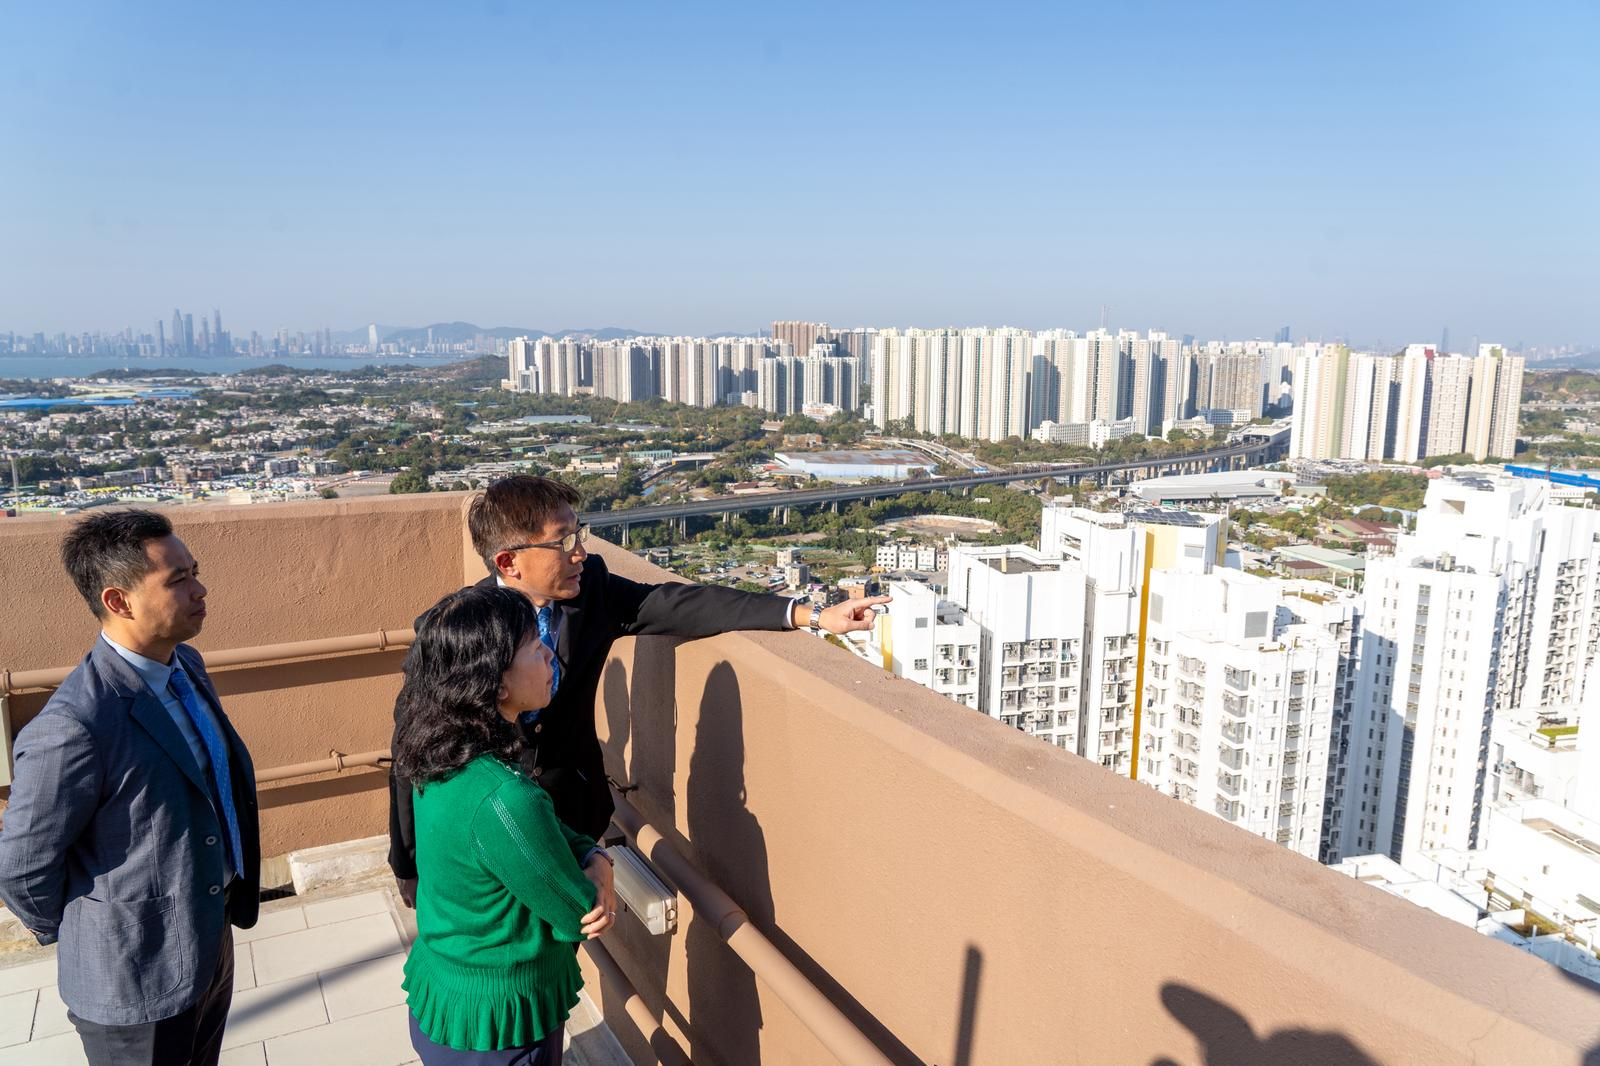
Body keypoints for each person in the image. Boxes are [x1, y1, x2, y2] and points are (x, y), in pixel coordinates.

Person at [387, 474, 888, 910]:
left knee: (568, 946)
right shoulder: (455, 634)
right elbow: (413, 745)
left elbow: (678, 605)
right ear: (508, 561)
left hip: (574, 819)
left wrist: (808, 614)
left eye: (579, 534)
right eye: (563, 542)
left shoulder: (591, 591)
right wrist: (407, 861)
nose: (581, 553)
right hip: (493, 832)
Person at [0, 509, 259, 1066]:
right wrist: (95, 929)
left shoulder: (185, 665)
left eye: (195, 572)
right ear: (118, 601)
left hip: (208, 941)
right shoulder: (75, 725)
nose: (200, 590)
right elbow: (22, 866)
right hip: (134, 980)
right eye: (178, 580)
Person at [394, 585, 610, 1064]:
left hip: (448, 996)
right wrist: (601, 867)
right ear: (497, 685)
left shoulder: (438, 751)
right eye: (534, 647)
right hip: (497, 1027)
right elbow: (578, 910)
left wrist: (587, 850)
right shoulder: (502, 798)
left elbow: (538, 829)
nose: (549, 653)